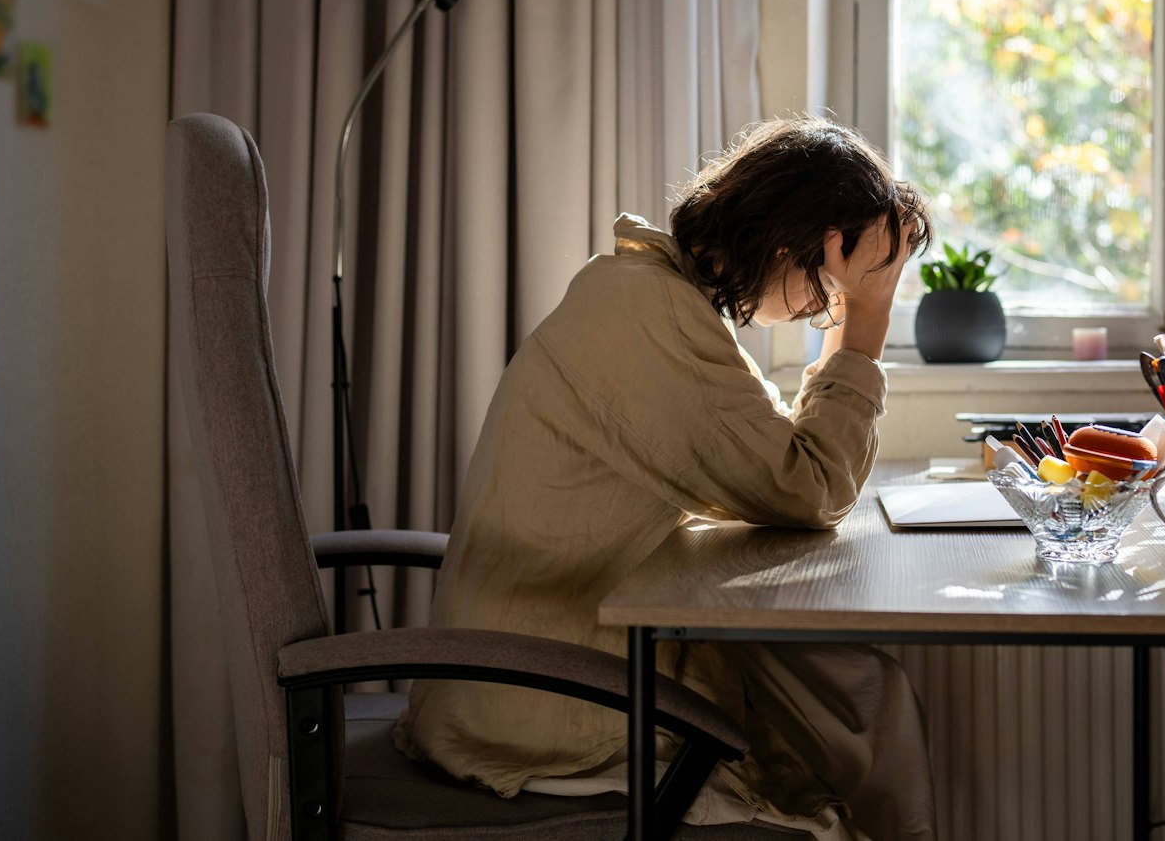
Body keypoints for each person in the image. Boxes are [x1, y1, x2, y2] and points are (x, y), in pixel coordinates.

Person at [396, 116, 938, 841]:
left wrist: (853, 308)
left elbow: (779, 464)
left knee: (856, 697)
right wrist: (865, 318)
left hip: (532, 663)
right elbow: (809, 487)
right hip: (539, 702)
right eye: (835, 276)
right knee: (860, 702)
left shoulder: (653, 293)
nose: (823, 304)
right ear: (792, 244)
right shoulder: (653, 315)